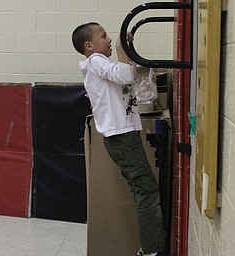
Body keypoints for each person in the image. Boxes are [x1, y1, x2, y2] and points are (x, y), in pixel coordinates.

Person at [72, 22, 165, 256]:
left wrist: (124, 47)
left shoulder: (101, 64)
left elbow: (127, 74)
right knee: (147, 191)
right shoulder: (96, 62)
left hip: (123, 137)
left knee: (142, 189)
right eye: (104, 36)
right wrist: (122, 46)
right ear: (89, 46)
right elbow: (126, 75)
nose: (109, 39)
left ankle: (151, 247)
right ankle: (153, 250)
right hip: (121, 138)